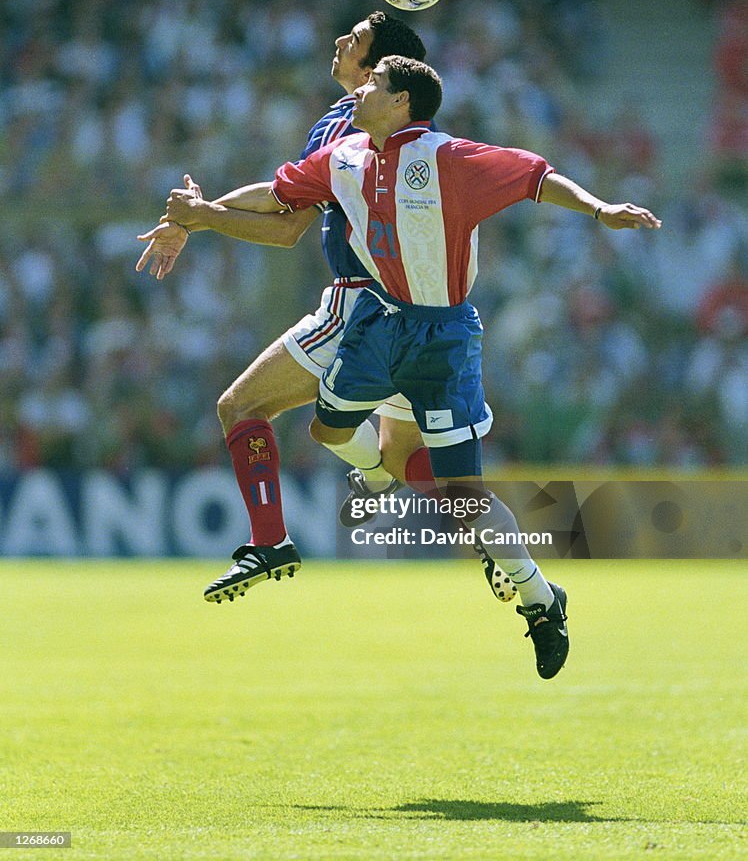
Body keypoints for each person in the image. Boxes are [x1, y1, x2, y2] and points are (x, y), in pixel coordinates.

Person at [220, 55, 662, 679]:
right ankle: (377, 476)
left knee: (463, 499)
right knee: (327, 429)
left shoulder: (447, 158)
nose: (361, 90)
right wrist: (204, 210)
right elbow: (275, 194)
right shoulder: (344, 157)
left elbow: (536, 176)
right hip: (381, 321)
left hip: (445, 338)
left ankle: (540, 598)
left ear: (402, 102)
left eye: (374, 85)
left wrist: (599, 209)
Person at [137, 13, 511, 609]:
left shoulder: (353, 131)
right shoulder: (385, 127)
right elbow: (282, 190)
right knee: (410, 463)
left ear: (376, 69)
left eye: (355, 40)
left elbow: (288, 226)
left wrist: (200, 217)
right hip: (416, 313)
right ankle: (518, 569)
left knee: (241, 406)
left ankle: (270, 542)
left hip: (362, 302)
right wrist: (197, 213)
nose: (339, 42)